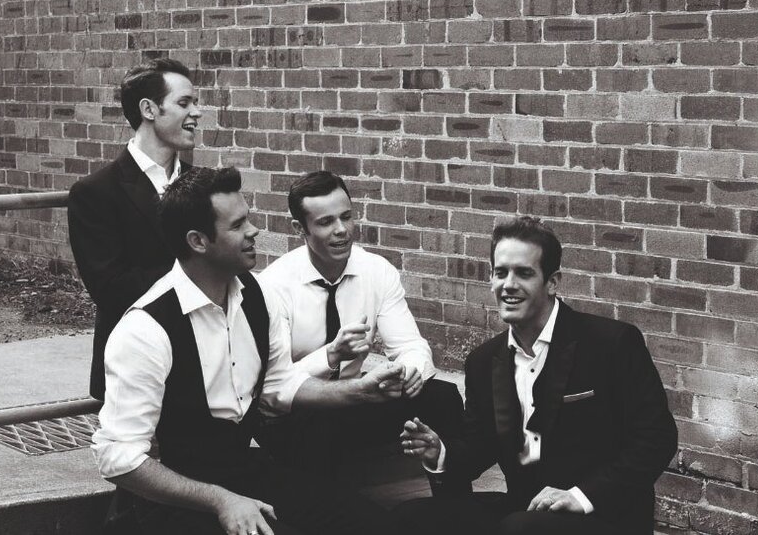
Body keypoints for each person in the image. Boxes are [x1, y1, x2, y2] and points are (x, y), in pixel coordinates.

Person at [93, 166, 402, 535]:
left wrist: (356, 392)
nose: (254, 231)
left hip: (244, 472)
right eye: (238, 225)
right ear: (197, 241)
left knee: (372, 524)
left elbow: (279, 386)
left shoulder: (257, 296)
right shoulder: (146, 329)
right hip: (171, 505)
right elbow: (117, 458)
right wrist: (221, 500)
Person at [397, 216, 677, 535]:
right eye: (500, 272)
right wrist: (440, 453)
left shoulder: (612, 344)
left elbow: (656, 439)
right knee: (410, 518)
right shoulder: (483, 361)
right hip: (525, 509)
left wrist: (580, 496)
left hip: (603, 515)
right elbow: (479, 447)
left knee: (519, 529)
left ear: (552, 282)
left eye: (524, 273)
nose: (509, 285)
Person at [257, 170, 464, 480]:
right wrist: (329, 356)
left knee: (444, 397)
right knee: (318, 429)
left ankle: (449, 499)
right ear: (300, 229)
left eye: (346, 217)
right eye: (326, 222)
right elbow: (272, 390)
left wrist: (409, 372)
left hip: (356, 400)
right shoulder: (273, 286)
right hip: (292, 417)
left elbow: (410, 345)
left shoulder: (376, 271)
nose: (341, 230)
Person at [67, 57, 201, 399]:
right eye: (184, 103)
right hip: (134, 368)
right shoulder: (96, 192)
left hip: (204, 365)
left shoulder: (203, 184)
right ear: (149, 109)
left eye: (195, 104)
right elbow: (112, 289)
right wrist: (198, 272)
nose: (196, 113)